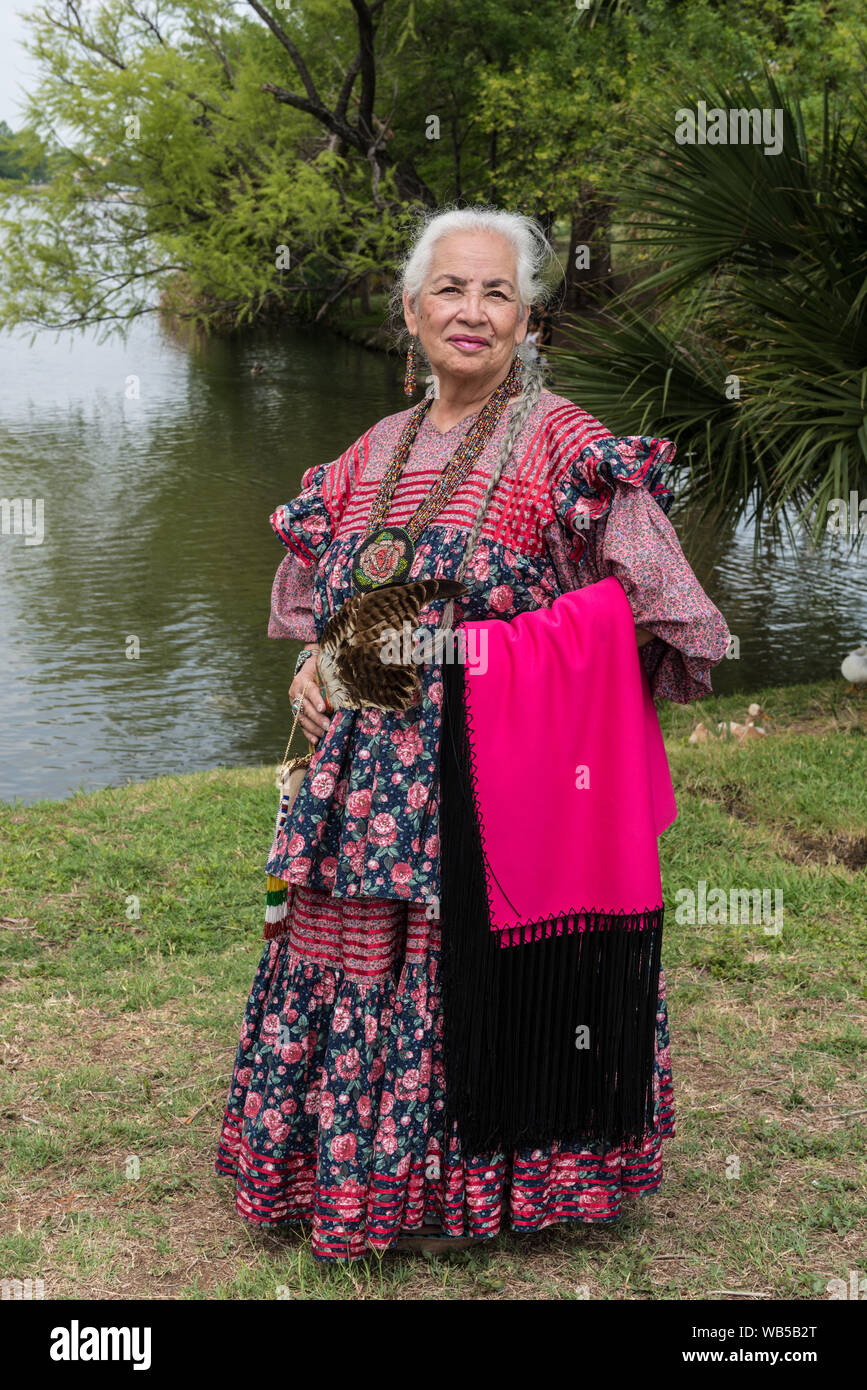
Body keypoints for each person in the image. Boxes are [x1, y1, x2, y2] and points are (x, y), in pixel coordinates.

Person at [215, 206, 730, 1262]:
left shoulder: (565, 444)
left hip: (491, 785)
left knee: (460, 975)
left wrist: (489, 661)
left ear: (526, 322)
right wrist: (314, 668)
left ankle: (478, 1193)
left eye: (499, 293)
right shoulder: (370, 452)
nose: (473, 310)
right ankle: (348, 1178)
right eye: (451, 288)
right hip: (360, 791)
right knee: (360, 963)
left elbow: (662, 608)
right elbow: (324, 604)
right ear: (411, 311)